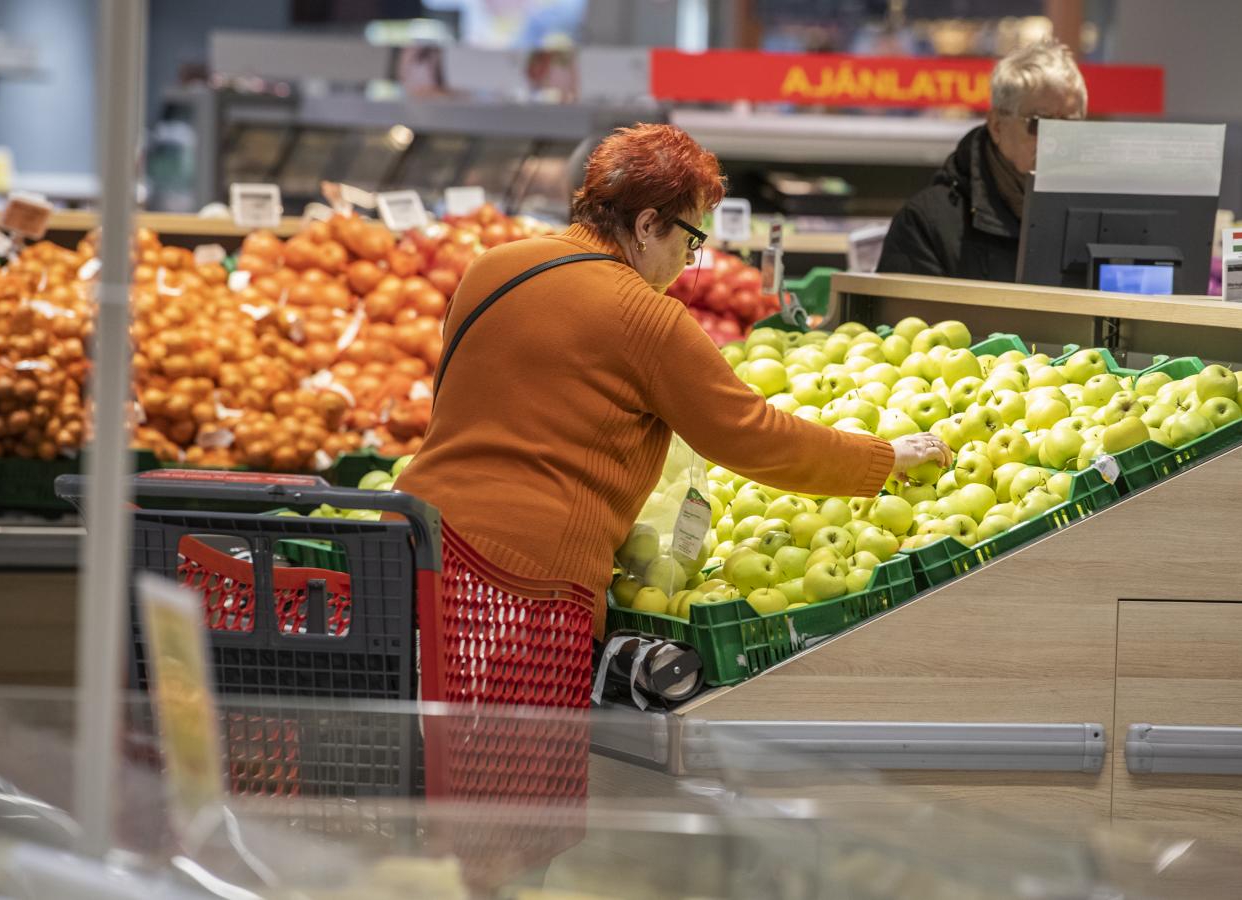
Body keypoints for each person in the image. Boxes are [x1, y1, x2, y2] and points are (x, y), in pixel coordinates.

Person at [394, 124, 950, 628]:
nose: (689, 261)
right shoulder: (644, 317)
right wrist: (885, 458)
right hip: (523, 585)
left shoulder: (492, 265)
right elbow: (750, 434)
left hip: (409, 540)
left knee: (411, 732)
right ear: (645, 225)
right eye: (690, 240)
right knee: (507, 741)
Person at [877, 41, 1087, 281]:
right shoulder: (925, 225)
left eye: (1068, 125)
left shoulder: (1099, 217)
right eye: (1039, 123)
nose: (1055, 140)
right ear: (997, 126)